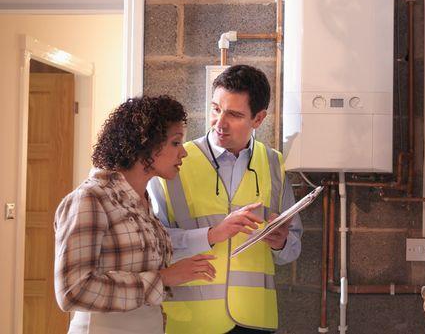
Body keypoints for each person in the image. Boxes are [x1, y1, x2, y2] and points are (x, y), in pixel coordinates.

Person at [148, 64, 303, 334]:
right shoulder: (173, 161)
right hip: (189, 321)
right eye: (216, 109)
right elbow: (152, 244)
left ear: (258, 118)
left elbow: (293, 247)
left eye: (234, 114)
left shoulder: (274, 163)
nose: (220, 122)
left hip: (255, 320)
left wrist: (282, 242)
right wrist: (211, 234)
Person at [54, 95, 217, 334]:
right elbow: (73, 291)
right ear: (146, 144)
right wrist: (162, 279)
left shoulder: (143, 202)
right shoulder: (91, 198)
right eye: (175, 142)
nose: (184, 153)